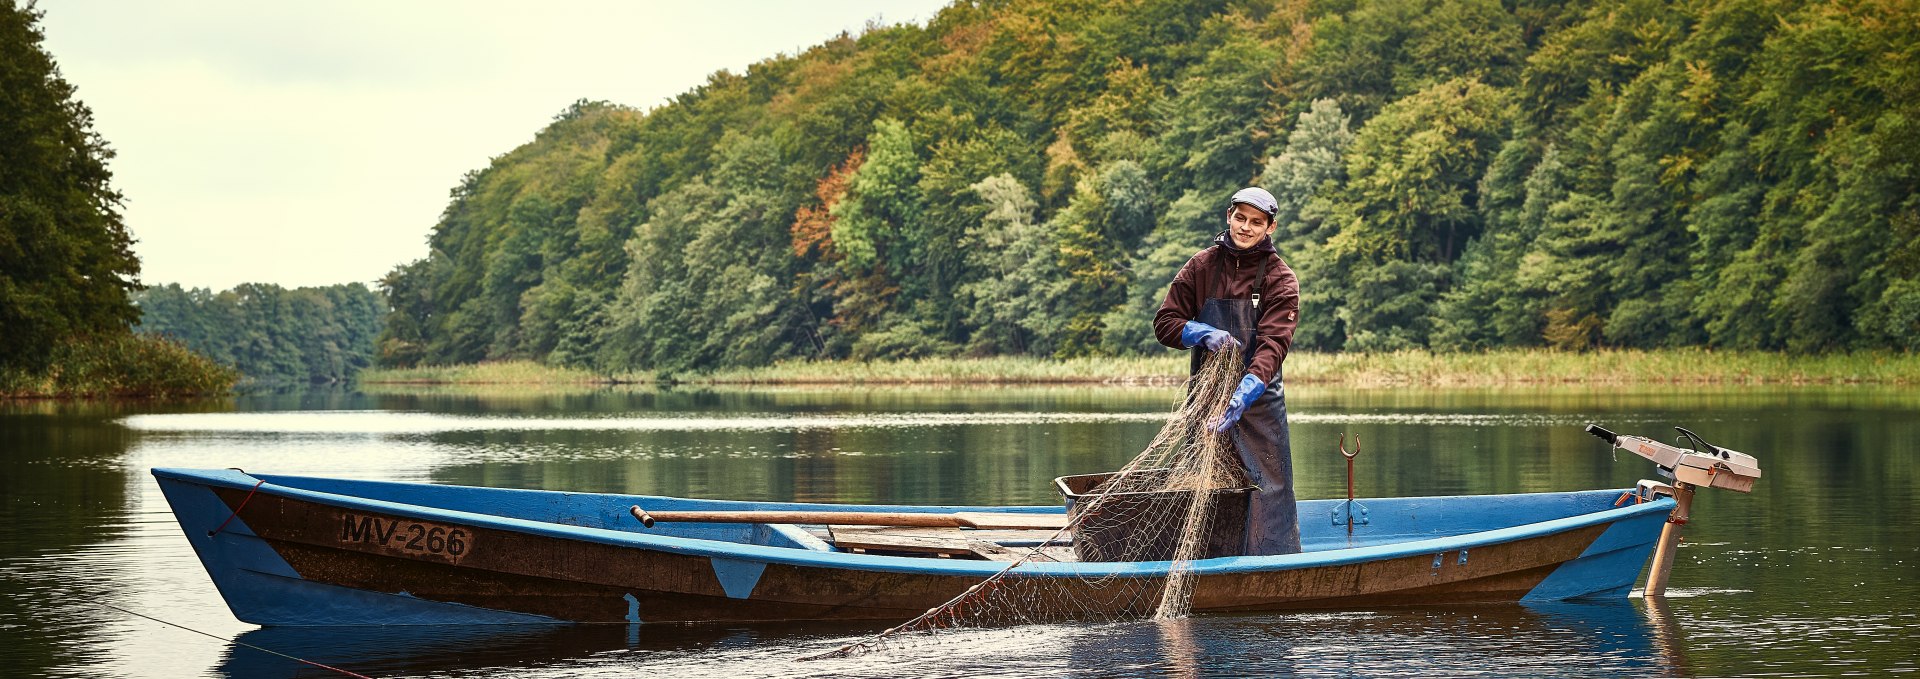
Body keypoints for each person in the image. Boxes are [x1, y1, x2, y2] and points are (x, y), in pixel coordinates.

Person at [1152, 186, 1302, 556]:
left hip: (1258, 403)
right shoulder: (1201, 265)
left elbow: (1273, 346)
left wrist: (1245, 391)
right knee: (1203, 484)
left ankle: (1273, 560)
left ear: (1270, 227)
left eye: (1256, 222)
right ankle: (1206, 561)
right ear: (1228, 216)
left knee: (1268, 489)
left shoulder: (1281, 279)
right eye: (1240, 218)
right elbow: (1165, 322)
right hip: (1206, 402)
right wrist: (1199, 332)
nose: (1246, 228)